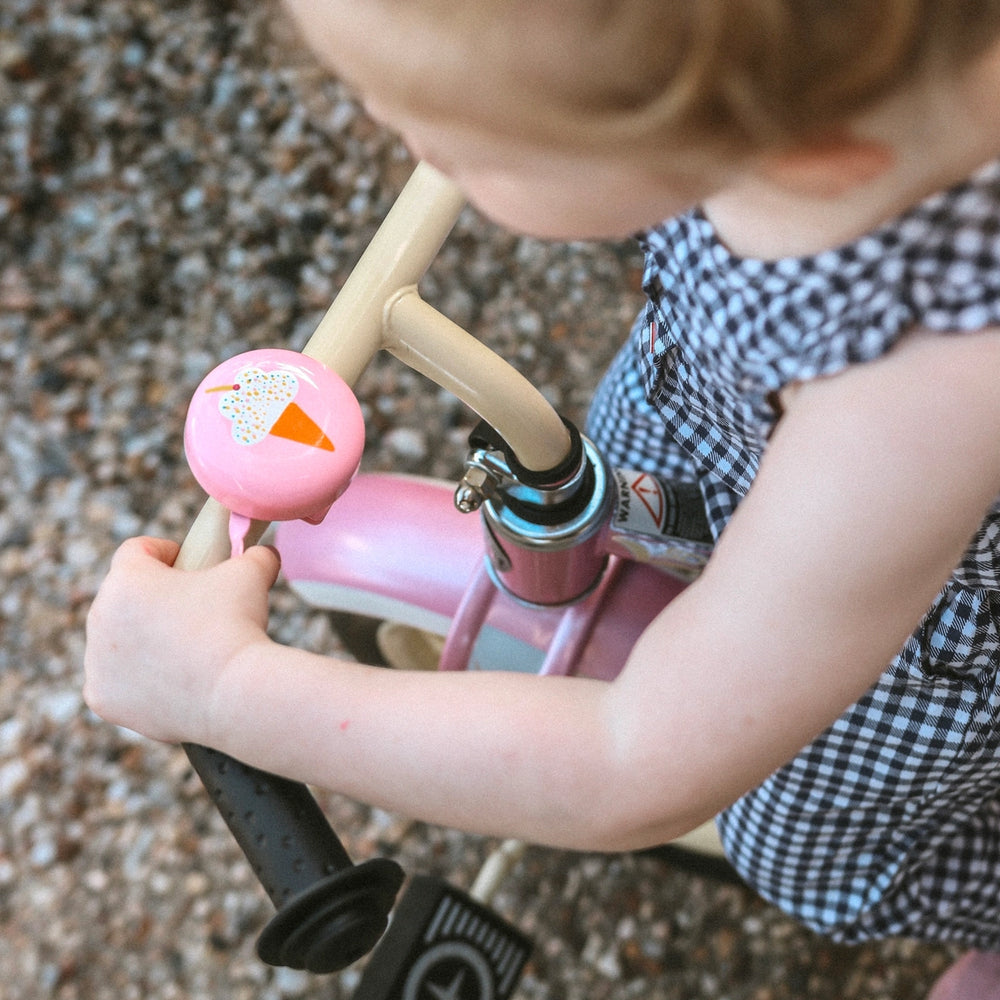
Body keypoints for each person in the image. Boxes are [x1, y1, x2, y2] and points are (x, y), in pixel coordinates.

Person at [83, 2, 1000, 996]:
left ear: (785, 142)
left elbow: (633, 759)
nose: (394, 134)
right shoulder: (819, 97)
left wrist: (222, 691)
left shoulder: (929, 383)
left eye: (452, 142)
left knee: (806, 836)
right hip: (714, 415)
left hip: (927, 614)